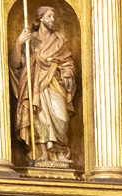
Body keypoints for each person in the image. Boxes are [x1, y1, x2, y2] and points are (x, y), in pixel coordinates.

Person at [10, 5, 76, 163]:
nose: (53, 19)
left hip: (55, 83)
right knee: (39, 117)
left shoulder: (59, 40)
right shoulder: (31, 40)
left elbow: (68, 63)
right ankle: (42, 152)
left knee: (62, 118)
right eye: (49, 16)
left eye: (53, 16)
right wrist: (19, 43)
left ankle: (59, 151)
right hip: (36, 85)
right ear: (40, 18)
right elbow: (16, 65)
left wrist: (67, 71)